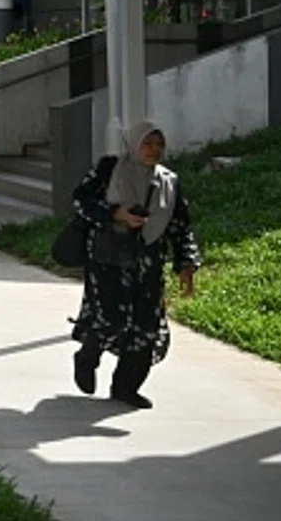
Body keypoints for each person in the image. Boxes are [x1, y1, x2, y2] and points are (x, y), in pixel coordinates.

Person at [70, 120, 201, 409]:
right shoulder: (109, 169)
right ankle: (87, 356)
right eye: (147, 143)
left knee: (145, 328)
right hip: (109, 258)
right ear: (133, 144)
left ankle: (126, 388)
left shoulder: (169, 181)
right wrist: (117, 213)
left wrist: (187, 263)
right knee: (110, 319)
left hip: (149, 263)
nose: (154, 150)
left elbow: (181, 226)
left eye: (159, 144)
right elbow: (81, 200)